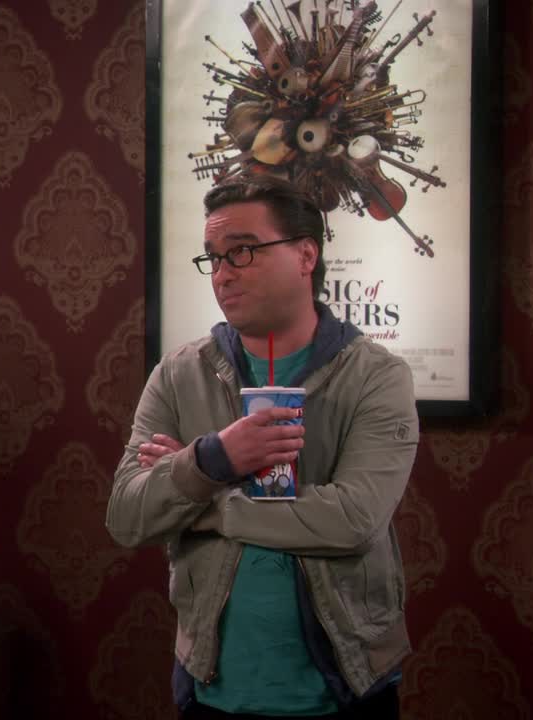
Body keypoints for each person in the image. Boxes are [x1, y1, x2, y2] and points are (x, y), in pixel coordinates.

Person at [106, 175, 418, 719]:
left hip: (346, 692)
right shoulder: (178, 374)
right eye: (213, 258)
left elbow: (354, 520)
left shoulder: (376, 376)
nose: (222, 274)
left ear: (306, 255)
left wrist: (209, 503)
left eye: (242, 251)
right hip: (212, 693)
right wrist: (212, 458)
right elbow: (127, 517)